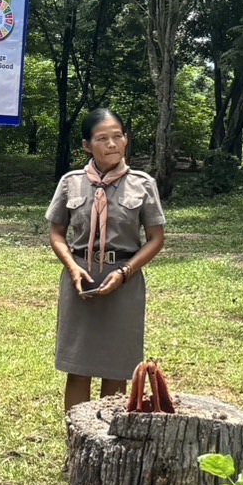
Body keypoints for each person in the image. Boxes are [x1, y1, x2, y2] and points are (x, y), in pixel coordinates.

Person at [47, 109, 166, 411]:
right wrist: (72, 267)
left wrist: (125, 272)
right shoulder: (71, 182)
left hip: (124, 281)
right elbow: (57, 233)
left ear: (126, 140)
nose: (111, 144)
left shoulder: (142, 184)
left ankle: (108, 439)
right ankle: (77, 441)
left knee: (117, 372)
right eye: (102, 138)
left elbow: (156, 239)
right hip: (80, 280)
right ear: (87, 146)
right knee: (78, 369)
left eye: (117, 137)